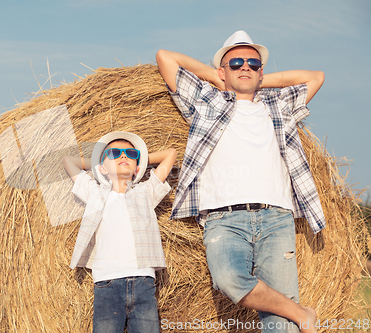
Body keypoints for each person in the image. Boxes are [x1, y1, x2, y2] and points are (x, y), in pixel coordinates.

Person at [156, 30, 326, 333]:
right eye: (235, 63)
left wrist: (259, 80)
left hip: (276, 216)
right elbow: (166, 58)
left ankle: (293, 315)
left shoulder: (277, 104)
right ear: (223, 70)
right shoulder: (207, 102)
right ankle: (302, 314)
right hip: (224, 217)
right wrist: (216, 77)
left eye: (252, 63)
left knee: (278, 324)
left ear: (262, 71)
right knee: (229, 280)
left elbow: (315, 77)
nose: (245, 67)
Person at [63, 131, 177, 333]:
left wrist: (140, 157)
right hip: (106, 283)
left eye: (130, 154)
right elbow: (69, 161)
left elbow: (170, 154)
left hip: (143, 281)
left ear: (138, 167)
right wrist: (101, 164)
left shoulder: (145, 192)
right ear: (102, 168)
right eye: (115, 153)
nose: (123, 156)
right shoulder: (95, 193)